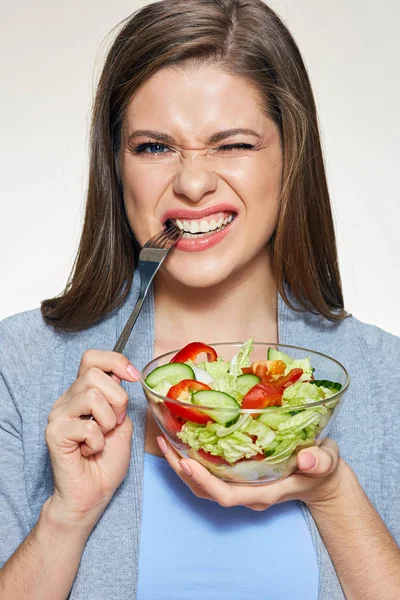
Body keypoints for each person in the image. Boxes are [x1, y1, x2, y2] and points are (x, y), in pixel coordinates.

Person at [0, 0, 399, 598]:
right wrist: (67, 516)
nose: (191, 182)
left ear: (291, 158)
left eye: (232, 144)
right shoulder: (21, 366)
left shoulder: (386, 377)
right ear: (116, 164)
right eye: (154, 147)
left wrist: (334, 495)